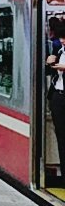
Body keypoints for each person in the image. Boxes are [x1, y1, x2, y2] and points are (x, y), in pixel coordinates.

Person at [46, 38, 65, 186]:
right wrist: (49, 63)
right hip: (57, 96)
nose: (63, 41)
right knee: (61, 136)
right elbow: (49, 73)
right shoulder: (58, 51)